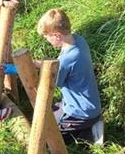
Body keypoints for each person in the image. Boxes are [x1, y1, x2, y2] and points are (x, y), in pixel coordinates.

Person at [36, 9, 102, 144]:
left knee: (50, 137)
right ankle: (86, 128)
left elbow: (53, 83)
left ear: (56, 35)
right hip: (91, 106)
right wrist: (34, 63)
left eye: (46, 36)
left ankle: (87, 133)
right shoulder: (78, 40)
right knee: (54, 112)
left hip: (80, 113)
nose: (46, 39)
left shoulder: (67, 59)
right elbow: (58, 65)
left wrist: (26, 71)